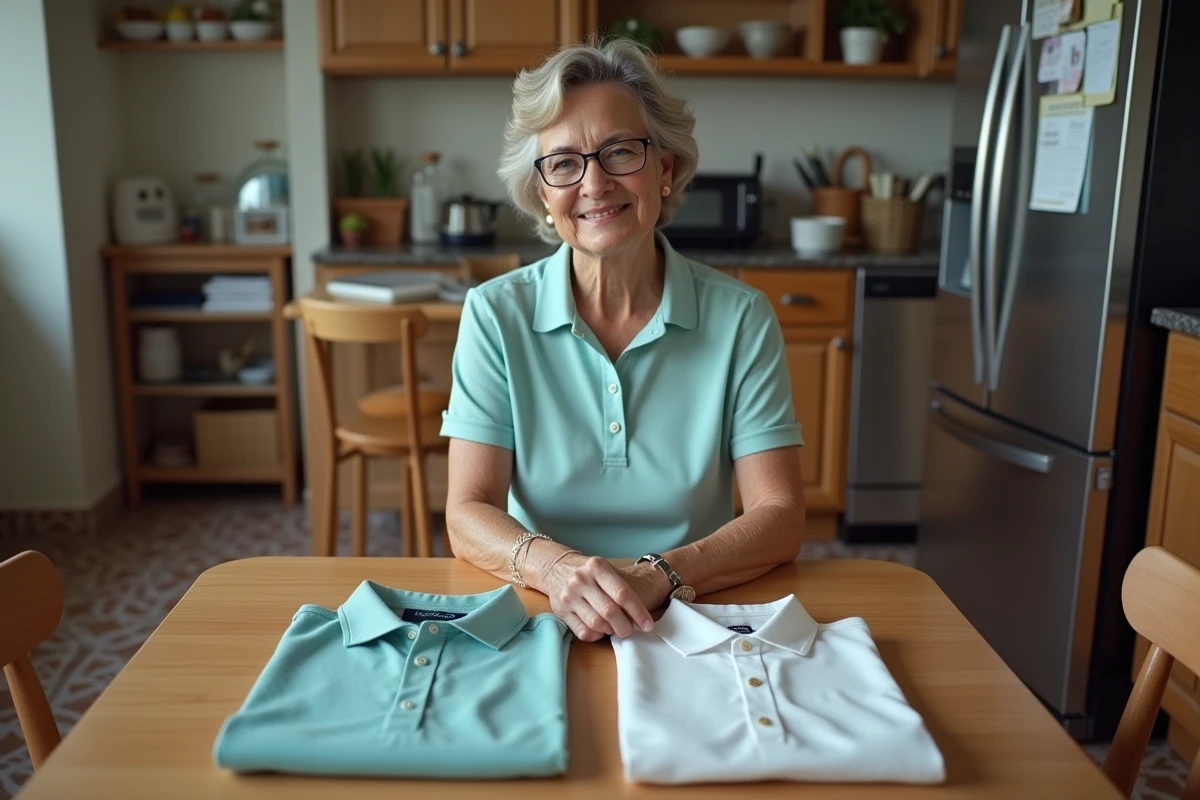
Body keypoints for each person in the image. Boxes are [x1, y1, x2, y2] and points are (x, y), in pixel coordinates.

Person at [439, 38, 804, 643]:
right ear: (542, 192)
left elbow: (781, 518)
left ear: (663, 171)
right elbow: (467, 511)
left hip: (693, 610)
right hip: (540, 610)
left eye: (619, 152)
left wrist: (658, 574)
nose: (594, 182)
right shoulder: (493, 313)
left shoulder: (742, 317)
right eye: (563, 162)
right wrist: (558, 571)